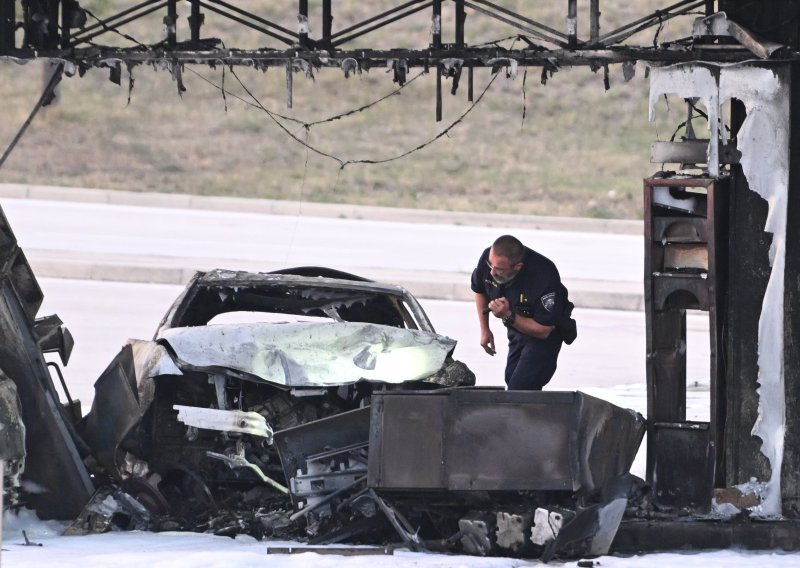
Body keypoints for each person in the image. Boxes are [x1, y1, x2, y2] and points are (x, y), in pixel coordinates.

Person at [471, 234, 576, 390]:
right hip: (516, 328)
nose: (492, 272)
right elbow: (479, 289)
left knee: (521, 387)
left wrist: (507, 315)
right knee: (511, 378)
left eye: (499, 270)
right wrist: (485, 329)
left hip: (544, 335)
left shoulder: (543, 275)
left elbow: (544, 331)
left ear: (517, 267)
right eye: (490, 265)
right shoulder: (490, 259)